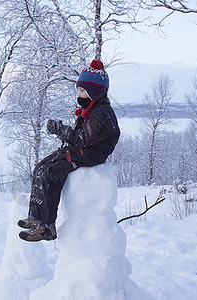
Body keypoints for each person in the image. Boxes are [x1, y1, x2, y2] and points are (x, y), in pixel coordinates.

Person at [18, 59, 120, 242]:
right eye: (79, 90)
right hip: (83, 150)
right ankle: (36, 217)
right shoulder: (92, 109)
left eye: (83, 90)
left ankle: (47, 226)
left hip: (90, 155)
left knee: (50, 172)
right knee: (41, 167)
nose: (79, 94)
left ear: (94, 91)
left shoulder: (102, 113)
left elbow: (82, 139)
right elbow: (81, 136)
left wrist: (60, 130)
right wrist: (63, 131)